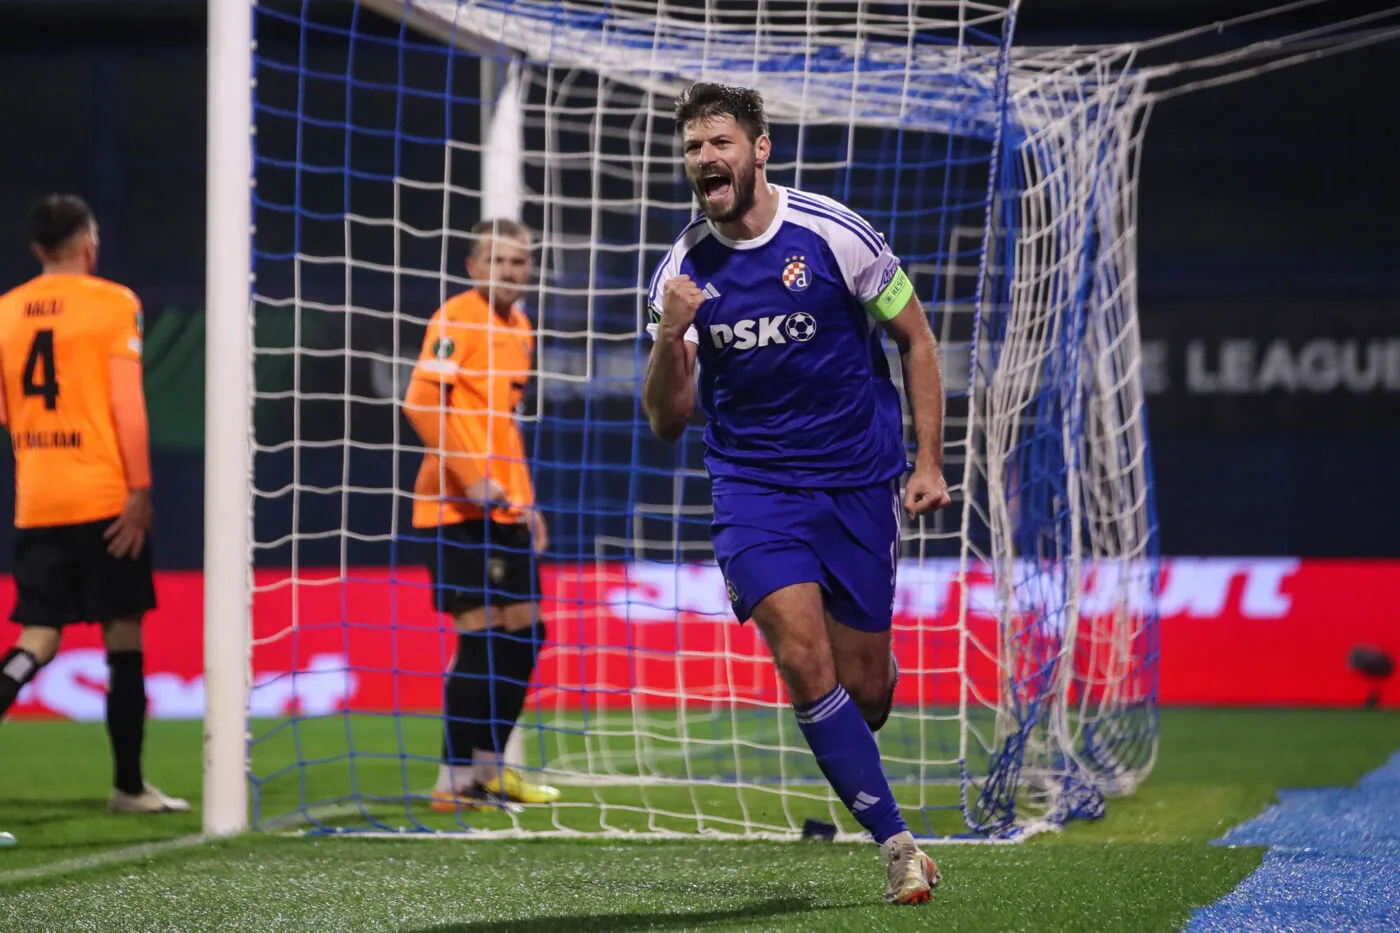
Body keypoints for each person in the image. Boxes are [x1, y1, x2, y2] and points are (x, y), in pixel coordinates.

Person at [642, 84, 950, 904]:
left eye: (720, 143)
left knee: (866, 687)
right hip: (754, 491)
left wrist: (928, 462)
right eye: (694, 147)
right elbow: (669, 421)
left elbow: (914, 338)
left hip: (857, 480)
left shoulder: (832, 234)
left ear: (760, 148)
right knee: (804, 661)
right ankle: (899, 846)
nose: (706, 159)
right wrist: (672, 331)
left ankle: (857, 732)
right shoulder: (681, 272)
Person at [0, 194, 187, 814]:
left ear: (36, 250)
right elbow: (127, 405)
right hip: (103, 492)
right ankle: (128, 788)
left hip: (39, 494)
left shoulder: (5, 311)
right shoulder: (113, 302)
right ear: (89, 243)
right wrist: (138, 491)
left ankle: (129, 786)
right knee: (123, 635)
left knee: (38, 638)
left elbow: (6, 410)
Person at [402, 218, 558, 811]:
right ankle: (452, 780)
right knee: (481, 639)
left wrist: (526, 499)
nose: (511, 273)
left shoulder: (520, 327)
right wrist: (474, 479)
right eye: (498, 262)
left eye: (519, 263)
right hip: (452, 509)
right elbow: (419, 402)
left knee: (527, 635)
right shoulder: (455, 318)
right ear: (474, 267)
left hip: (506, 509)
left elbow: (502, 426)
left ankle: (490, 772)